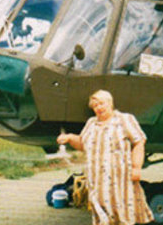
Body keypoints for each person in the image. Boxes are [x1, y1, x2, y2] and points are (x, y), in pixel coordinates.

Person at [57, 90, 154, 225]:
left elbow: (139, 142)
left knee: (123, 215)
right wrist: (69, 138)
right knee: (101, 215)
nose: (99, 108)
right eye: (95, 106)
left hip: (120, 179)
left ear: (110, 103)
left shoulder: (124, 119)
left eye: (101, 104)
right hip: (97, 181)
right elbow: (82, 143)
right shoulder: (91, 123)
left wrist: (137, 168)